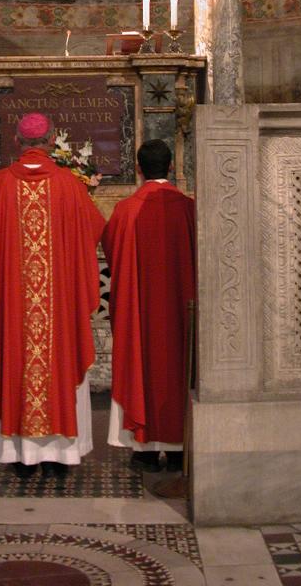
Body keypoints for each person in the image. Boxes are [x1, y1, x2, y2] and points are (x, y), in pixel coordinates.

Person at [0, 112, 105, 480]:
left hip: (13, 309)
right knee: (60, 359)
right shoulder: (69, 185)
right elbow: (95, 230)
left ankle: (20, 457)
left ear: (17, 141)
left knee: (15, 360)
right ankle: (61, 457)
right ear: (50, 141)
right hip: (59, 310)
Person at [102, 139, 195, 472]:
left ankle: (142, 449)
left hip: (138, 310)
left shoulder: (125, 210)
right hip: (179, 310)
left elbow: (112, 253)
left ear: (138, 169)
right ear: (171, 167)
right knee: (179, 366)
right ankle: (179, 448)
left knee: (140, 364)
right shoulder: (188, 208)